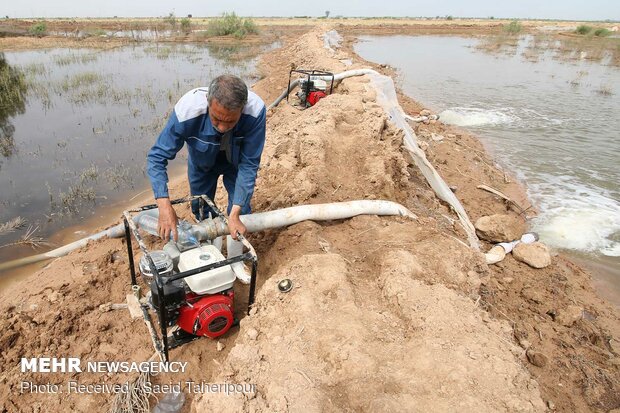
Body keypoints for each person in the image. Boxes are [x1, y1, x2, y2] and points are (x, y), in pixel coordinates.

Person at [146, 75, 266, 275]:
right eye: (216, 119)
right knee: (201, 209)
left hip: (236, 164)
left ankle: (235, 261)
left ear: (242, 109)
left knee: (241, 209)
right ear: (208, 103)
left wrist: (234, 214)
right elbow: (157, 157)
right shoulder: (187, 111)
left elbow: (250, 163)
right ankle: (212, 256)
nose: (222, 127)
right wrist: (164, 206)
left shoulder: (255, 111)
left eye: (230, 121)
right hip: (202, 164)